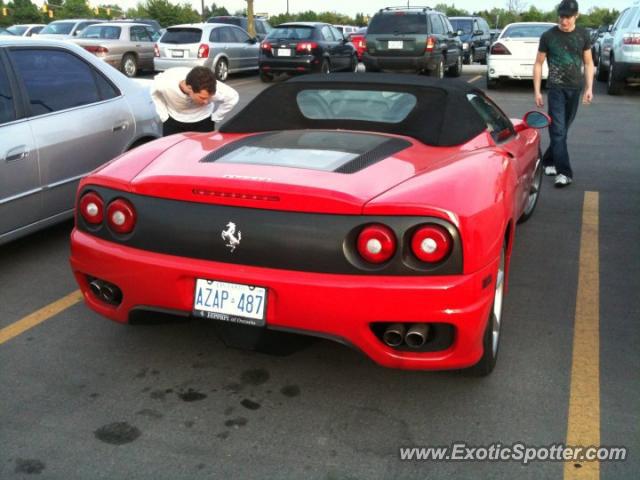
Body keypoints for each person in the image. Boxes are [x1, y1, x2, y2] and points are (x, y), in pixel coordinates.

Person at [533, 0, 593, 188]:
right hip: (556, 88)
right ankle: (564, 172)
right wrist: (537, 91)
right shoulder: (548, 36)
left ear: (576, 16)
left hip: (574, 89)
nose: (564, 20)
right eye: (561, 16)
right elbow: (538, 63)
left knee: (562, 130)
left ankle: (548, 161)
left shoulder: (583, 35)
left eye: (568, 17)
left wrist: (589, 88)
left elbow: (589, 62)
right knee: (558, 130)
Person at [150, 66, 239, 136]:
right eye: (202, 98)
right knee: (171, 154)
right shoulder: (165, 84)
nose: (206, 102)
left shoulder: (216, 88)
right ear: (189, 88)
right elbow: (154, 92)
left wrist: (215, 117)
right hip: (174, 121)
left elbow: (233, 97)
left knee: (202, 155)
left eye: (209, 98)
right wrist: (164, 117)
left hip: (203, 121)